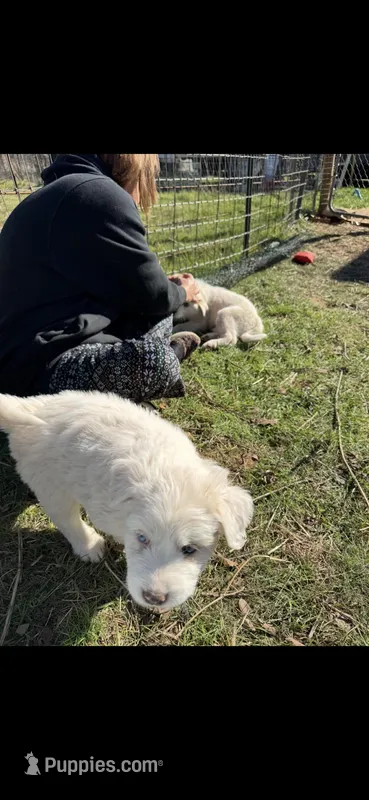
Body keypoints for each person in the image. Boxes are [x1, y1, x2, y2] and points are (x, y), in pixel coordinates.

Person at [0, 153, 201, 403]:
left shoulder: (56, 193)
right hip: (40, 372)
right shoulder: (101, 194)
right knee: (155, 359)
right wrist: (182, 291)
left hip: (17, 360)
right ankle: (167, 358)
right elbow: (154, 295)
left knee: (151, 309)